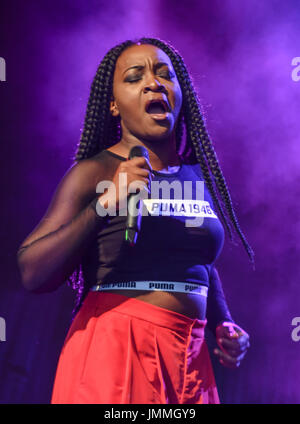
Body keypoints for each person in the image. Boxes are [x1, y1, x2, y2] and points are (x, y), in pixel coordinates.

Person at [17, 37, 253, 404]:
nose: (153, 82)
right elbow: (32, 271)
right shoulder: (95, 172)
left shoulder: (195, 176)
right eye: (134, 77)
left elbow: (198, 262)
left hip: (189, 361)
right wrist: (107, 203)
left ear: (180, 93)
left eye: (164, 74)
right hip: (116, 350)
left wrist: (223, 322)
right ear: (113, 105)